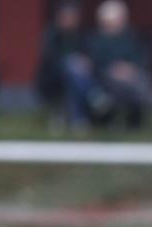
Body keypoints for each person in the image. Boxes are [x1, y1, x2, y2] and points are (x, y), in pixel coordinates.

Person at [88, 0, 148, 129]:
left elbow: (140, 56)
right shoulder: (97, 39)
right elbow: (96, 61)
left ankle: (135, 121)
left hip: (131, 74)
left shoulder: (131, 36)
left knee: (141, 82)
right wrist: (114, 69)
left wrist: (130, 68)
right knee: (116, 87)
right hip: (106, 76)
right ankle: (110, 119)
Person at [36, 0, 93, 130]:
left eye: (73, 17)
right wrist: (71, 62)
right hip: (54, 76)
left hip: (79, 75)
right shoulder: (52, 35)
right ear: (60, 18)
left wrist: (83, 62)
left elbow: (89, 56)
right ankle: (82, 114)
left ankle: (78, 115)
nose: (70, 20)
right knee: (73, 72)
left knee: (76, 77)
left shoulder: (81, 35)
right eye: (67, 17)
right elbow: (49, 58)